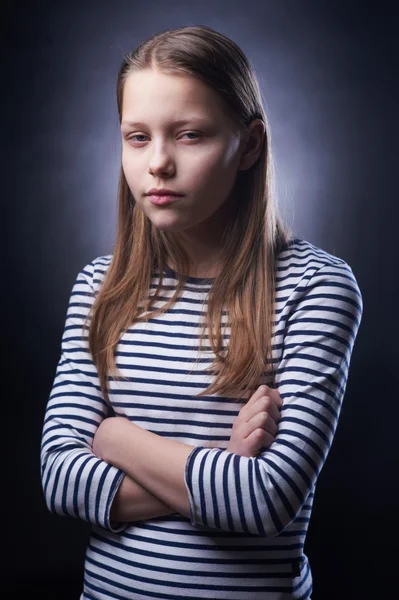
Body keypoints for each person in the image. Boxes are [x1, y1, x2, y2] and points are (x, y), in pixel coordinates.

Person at [40, 25, 363, 600]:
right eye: (137, 138)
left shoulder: (316, 288)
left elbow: (265, 500)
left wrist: (114, 438)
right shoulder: (100, 286)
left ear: (251, 146)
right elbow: (61, 479)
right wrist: (221, 461)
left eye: (189, 135)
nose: (158, 163)